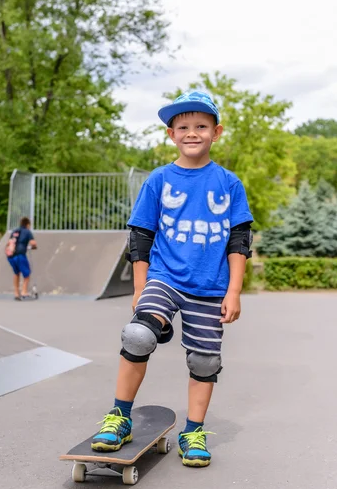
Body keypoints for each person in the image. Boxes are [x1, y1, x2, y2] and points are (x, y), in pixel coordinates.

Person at [92, 90, 253, 467]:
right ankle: (119, 418)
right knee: (138, 333)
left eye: (201, 126)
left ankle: (193, 431)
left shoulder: (228, 183)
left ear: (217, 131)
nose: (192, 133)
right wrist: (139, 287)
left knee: (204, 362)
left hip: (211, 287)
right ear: (171, 134)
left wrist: (234, 291)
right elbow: (141, 237)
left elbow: (240, 241)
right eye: (183, 127)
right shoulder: (160, 180)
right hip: (164, 278)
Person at [6, 217, 37, 300]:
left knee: (16, 273)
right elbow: (33, 243)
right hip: (20, 255)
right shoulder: (27, 232)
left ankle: (16, 293)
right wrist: (33, 246)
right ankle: (24, 292)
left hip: (10, 255)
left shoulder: (14, 231)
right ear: (27, 224)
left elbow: (10, 242)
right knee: (27, 273)